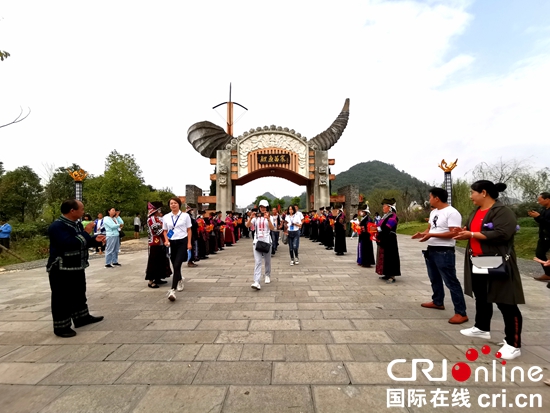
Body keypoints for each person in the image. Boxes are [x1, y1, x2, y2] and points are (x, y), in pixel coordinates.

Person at [454, 180, 525, 360]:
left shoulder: (502, 212)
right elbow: (472, 231)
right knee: (482, 296)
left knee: (506, 301)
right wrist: (464, 231)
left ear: (483, 193)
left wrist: (471, 234)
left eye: (472, 193)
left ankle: (513, 343)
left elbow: (503, 233)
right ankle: (482, 327)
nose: (471, 196)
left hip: (497, 261)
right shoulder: (476, 212)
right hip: (478, 260)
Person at [46, 199, 105, 337]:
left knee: (79, 293)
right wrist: (87, 231)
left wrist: (94, 240)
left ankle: (82, 318)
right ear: (72, 211)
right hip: (61, 268)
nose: (83, 212)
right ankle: (61, 327)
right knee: (62, 298)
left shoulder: (75, 224)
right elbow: (69, 243)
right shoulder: (57, 226)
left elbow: (81, 242)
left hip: (77, 265)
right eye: (81, 209)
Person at [412, 187, 468, 324]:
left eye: (430, 197)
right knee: (434, 278)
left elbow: (454, 233)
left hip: (445, 251)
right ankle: (438, 301)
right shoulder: (434, 212)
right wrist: (424, 234)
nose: (429, 199)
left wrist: (432, 235)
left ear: (437, 198)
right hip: (432, 249)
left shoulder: (452, 213)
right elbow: (430, 228)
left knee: (451, 281)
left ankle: (461, 312)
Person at [163, 197, 192, 301]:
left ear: (179, 204)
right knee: (174, 264)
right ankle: (179, 279)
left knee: (177, 264)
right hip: (171, 243)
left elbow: (189, 230)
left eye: (175, 203)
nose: (173, 205)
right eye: (171, 203)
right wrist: (166, 240)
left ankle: (172, 290)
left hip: (182, 241)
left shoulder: (185, 216)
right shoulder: (166, 217)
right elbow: (165, 231)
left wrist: (189, 243)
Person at [246, 199, 274, 290]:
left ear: (267, 207)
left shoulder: (270, 217)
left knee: (267, 260)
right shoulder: (256, 217)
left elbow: (272, 228)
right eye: (261, 207)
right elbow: (247, 225)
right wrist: (251, 217)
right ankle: (256, 281)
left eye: (264, 207)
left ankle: (267, 275)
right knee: (258, 261)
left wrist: (268, 219)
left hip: (266, 241)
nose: (263, 208)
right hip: (257, 241)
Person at [145, 202, 171, 288]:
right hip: (155, 242)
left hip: (160, 242)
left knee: (160, 260)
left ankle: (158, 277)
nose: (160, 211)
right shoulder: (152, 219)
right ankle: (151, 280)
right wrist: (169, 234)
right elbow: (158, 231)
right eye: (159, 209)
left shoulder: (157, 218)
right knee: (154, 261)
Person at [376, 198, 401, 283]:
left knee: (391, 256)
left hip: (390, 239)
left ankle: (392, 275)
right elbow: (379, 227)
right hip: (384, 238)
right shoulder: (385, 216)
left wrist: (379, 231)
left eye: (384, 206)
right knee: (385, 256)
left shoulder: (393, 217)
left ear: (390, 207)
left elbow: (387, 228)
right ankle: (386, 273)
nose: (383, 207)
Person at [528, 192, 550, 281]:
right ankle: (548, 274)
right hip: (543, 236)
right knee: (539, 254)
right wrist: (536, 216)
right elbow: (542, 221)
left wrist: (539, 217)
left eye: (540, 200)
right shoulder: (544, 209)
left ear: (547, 199)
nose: (539, 202)